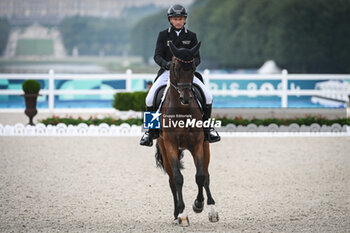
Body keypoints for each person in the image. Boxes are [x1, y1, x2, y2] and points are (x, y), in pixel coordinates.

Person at [140, 4, 220, 147]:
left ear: (185, 20)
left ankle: (208, 129)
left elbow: (198, 58)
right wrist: (166, 65)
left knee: (208, 96)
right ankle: (150, 132)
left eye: (181, 19)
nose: (178, 21)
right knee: (149, 98)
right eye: (175, 19)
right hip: (167, 72)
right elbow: (157, 56)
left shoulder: (191, 36)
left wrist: (191, 65)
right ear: (170, 20)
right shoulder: (163, 35)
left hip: (187, 74)